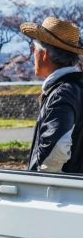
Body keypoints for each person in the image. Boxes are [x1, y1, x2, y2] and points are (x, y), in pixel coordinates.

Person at [20, 17, 83, 173]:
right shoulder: (77, 88)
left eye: (33, 50)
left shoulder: (61, 94)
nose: (32, 55)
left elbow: (56, 149)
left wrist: (38, 184)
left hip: (63, 194)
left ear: (45, 54)